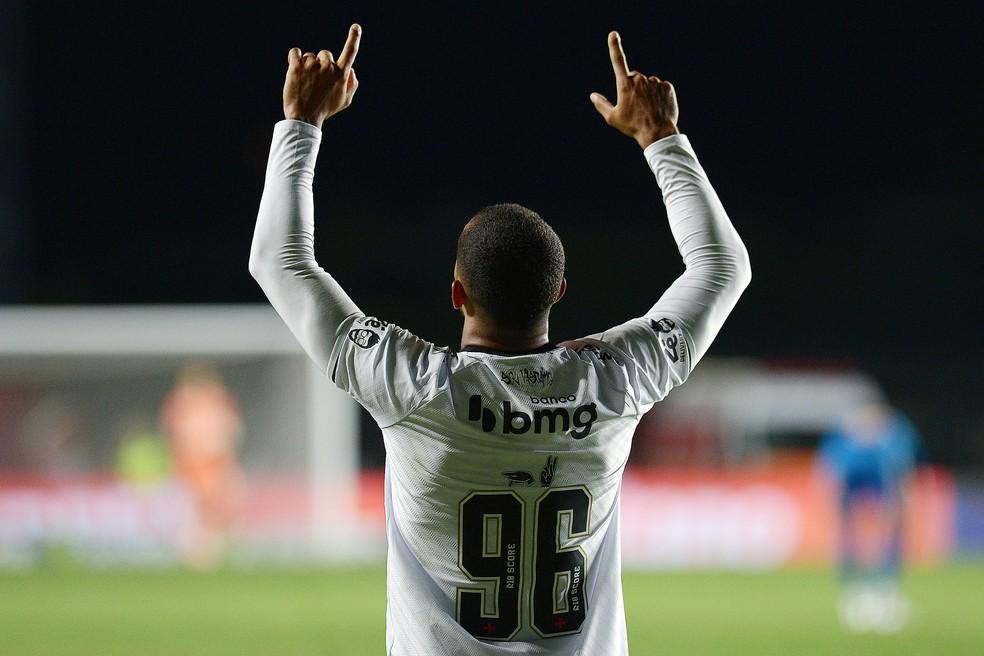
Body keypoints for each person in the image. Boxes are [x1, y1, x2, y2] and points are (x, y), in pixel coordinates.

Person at [250, 24, 750, 655]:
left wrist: (302, 121)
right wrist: (662, 138)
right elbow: (721, 267)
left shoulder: (416, 388)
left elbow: (281, 261)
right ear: (559, 291)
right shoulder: (616, 379)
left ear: (457, 293)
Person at [818, 403, 920, 633]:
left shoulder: (892, 441)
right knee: (849, 532)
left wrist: (898, 501)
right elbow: (831, 473)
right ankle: (852, 585)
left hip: (880, 483)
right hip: (855, 484)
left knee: (889, 530)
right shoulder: (843, 442)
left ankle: (885, 584)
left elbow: (899, 475)